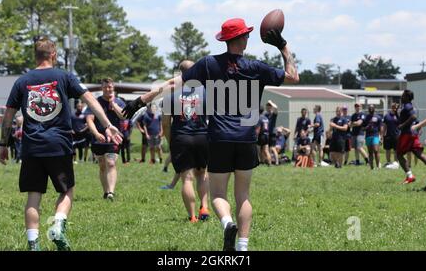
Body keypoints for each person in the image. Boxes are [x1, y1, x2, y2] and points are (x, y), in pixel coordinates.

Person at [122, 18, 299, 251]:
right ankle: (242, 248)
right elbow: (292, 77)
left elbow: (174, 83)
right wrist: (283, 47)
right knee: (243, 195)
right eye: (246, 35)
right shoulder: (256, 67)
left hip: (218, 137)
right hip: (246, 138)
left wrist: (142, 100)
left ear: (225, 40)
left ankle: (227, 224)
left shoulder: (209, 64)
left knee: (217, 193)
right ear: (243, 39)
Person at [0, 37, 122, 251]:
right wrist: (108, 124)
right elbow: (91, 100)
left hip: (32, 147)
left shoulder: (22, 81)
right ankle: (57, 225)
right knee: (66, 191)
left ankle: (33, 243)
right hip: (59, 145)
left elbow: (9, 114)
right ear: (53, 54)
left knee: (33, 197)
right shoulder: (65, 76)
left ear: (35, 56)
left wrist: (3, 143)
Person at [162, 59, 210, 222]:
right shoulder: (205, 90)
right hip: (202, 136)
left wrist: (171, 141)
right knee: (202, 174)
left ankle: (192, 217)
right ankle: (204, 207)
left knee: (187, 178)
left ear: (180, 73)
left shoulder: (170, 93)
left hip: (181, 137)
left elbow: (166, 123)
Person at [86, 78, 126, 201]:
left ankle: (111, 193)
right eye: (105, 87)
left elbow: (123, 116)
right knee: (102, 165)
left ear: (113, 88)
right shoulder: (95, 102)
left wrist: (113, 104)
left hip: (114, 138)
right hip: (99, 138)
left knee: (111, 163)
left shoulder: (119, 102)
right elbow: (89, 120)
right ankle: (105, 192)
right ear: (102, 88)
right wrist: (96, 133)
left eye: (110, 87)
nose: (108, 89)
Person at [396, 90, 426, 186]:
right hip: (412, 134)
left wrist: (402, 125)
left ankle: (410, 176)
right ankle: (410, 176)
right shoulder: (406, 106)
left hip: (407, 134)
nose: (401, 97)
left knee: (399, 155)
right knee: (419, 154)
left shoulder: (407, 106)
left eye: (403, 96)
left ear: (407, 97)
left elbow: (414, 116)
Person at [362, 104, 383, 170]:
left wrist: (381, 136)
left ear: (374, 109)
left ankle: (378, 166)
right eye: (369, 108)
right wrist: (366, 127)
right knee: (370, 152)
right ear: (368, 109)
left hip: (375, 135)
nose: (371, 109)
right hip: (368, 136)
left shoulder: (378, 117)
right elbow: (362, 128)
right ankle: (372, 167)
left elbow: (381, 127)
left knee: (376, 150)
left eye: (372, 108)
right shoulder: (366, 117)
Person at [382, 103, 400, 167]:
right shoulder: (387, 116)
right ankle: (388, 162)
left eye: (395, 107)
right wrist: (382, 135)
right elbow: (384, 126)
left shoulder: (398, 116)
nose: (394, 108)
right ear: (391, 107)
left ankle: (396, 163)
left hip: (396, 136)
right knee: (388, 150)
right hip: (388, 136)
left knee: (396, 150)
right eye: (393, 107)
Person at [265, 100, 279, 165]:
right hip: (267, 133)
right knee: (268, 148)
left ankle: (277, 162)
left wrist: (271, 102)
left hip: (272, 133)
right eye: (267, 106)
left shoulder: (274, 114)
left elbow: (276, 108)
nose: (268, 107)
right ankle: (269, 162)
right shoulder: (265, 114)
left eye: (269, 106)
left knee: (273, 148)